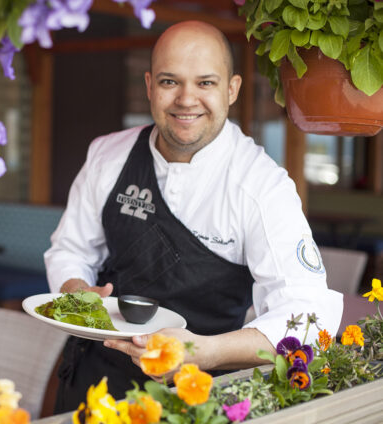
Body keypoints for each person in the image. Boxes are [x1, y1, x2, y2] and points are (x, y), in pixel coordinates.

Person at [44, 20, 343, 413]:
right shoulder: (107, 155)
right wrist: (75, 290)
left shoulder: (261, 186)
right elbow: (69, 250)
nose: (187, 99)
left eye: (206, 83)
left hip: (195, 400)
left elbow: (309, 317)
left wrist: (211, 351)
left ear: (232, 89)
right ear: (149, 86)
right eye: (171, 82)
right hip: (93, 386)